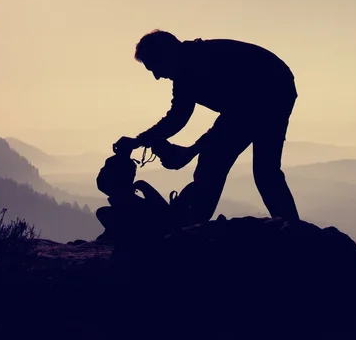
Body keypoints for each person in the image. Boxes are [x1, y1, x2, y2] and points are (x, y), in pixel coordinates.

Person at [115, 30, 300, 226]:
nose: (157, 77)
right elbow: (179, 117)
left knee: (253, 168)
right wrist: (140, 141)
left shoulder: (199, 64)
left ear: (166, 55)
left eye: (155, 68)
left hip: (271, 91)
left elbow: (235, 118)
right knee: (244, 166)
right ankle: (291, 228)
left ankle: (291, 230)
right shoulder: (186, 69)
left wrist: (190, 151)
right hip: (272, 88)